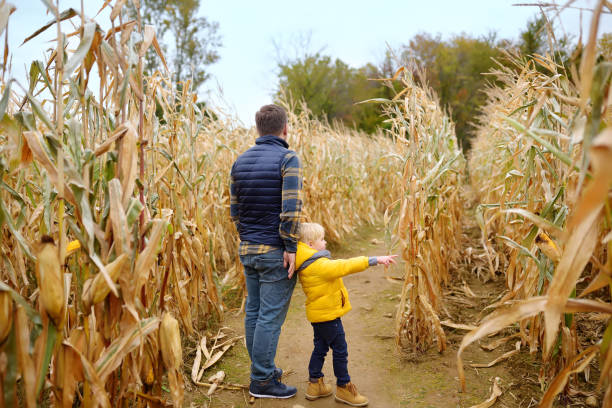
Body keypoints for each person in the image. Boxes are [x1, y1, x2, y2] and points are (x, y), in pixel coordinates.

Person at [230, 104, 302, 399]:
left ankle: (263, 369)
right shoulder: (288, 158)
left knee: (255, 313)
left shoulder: (240, 161)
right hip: (274, 251)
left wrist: (247, 239)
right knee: (269, 316)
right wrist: (290, 246)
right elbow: (290, 209)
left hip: (248, 248)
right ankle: (261, 380)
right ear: (285, 129)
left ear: (257, 129)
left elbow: (234, 211)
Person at [295, 222, 397, 406]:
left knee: (320, 347)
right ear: (310, 244)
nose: (325, 242)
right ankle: (344, 387)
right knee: (340, 350)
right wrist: (374, 259)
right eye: (321, 239)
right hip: (328, 317)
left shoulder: (305, 262)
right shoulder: (318, 265)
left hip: (319, 316)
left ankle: (315, 384)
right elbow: (344, 266)